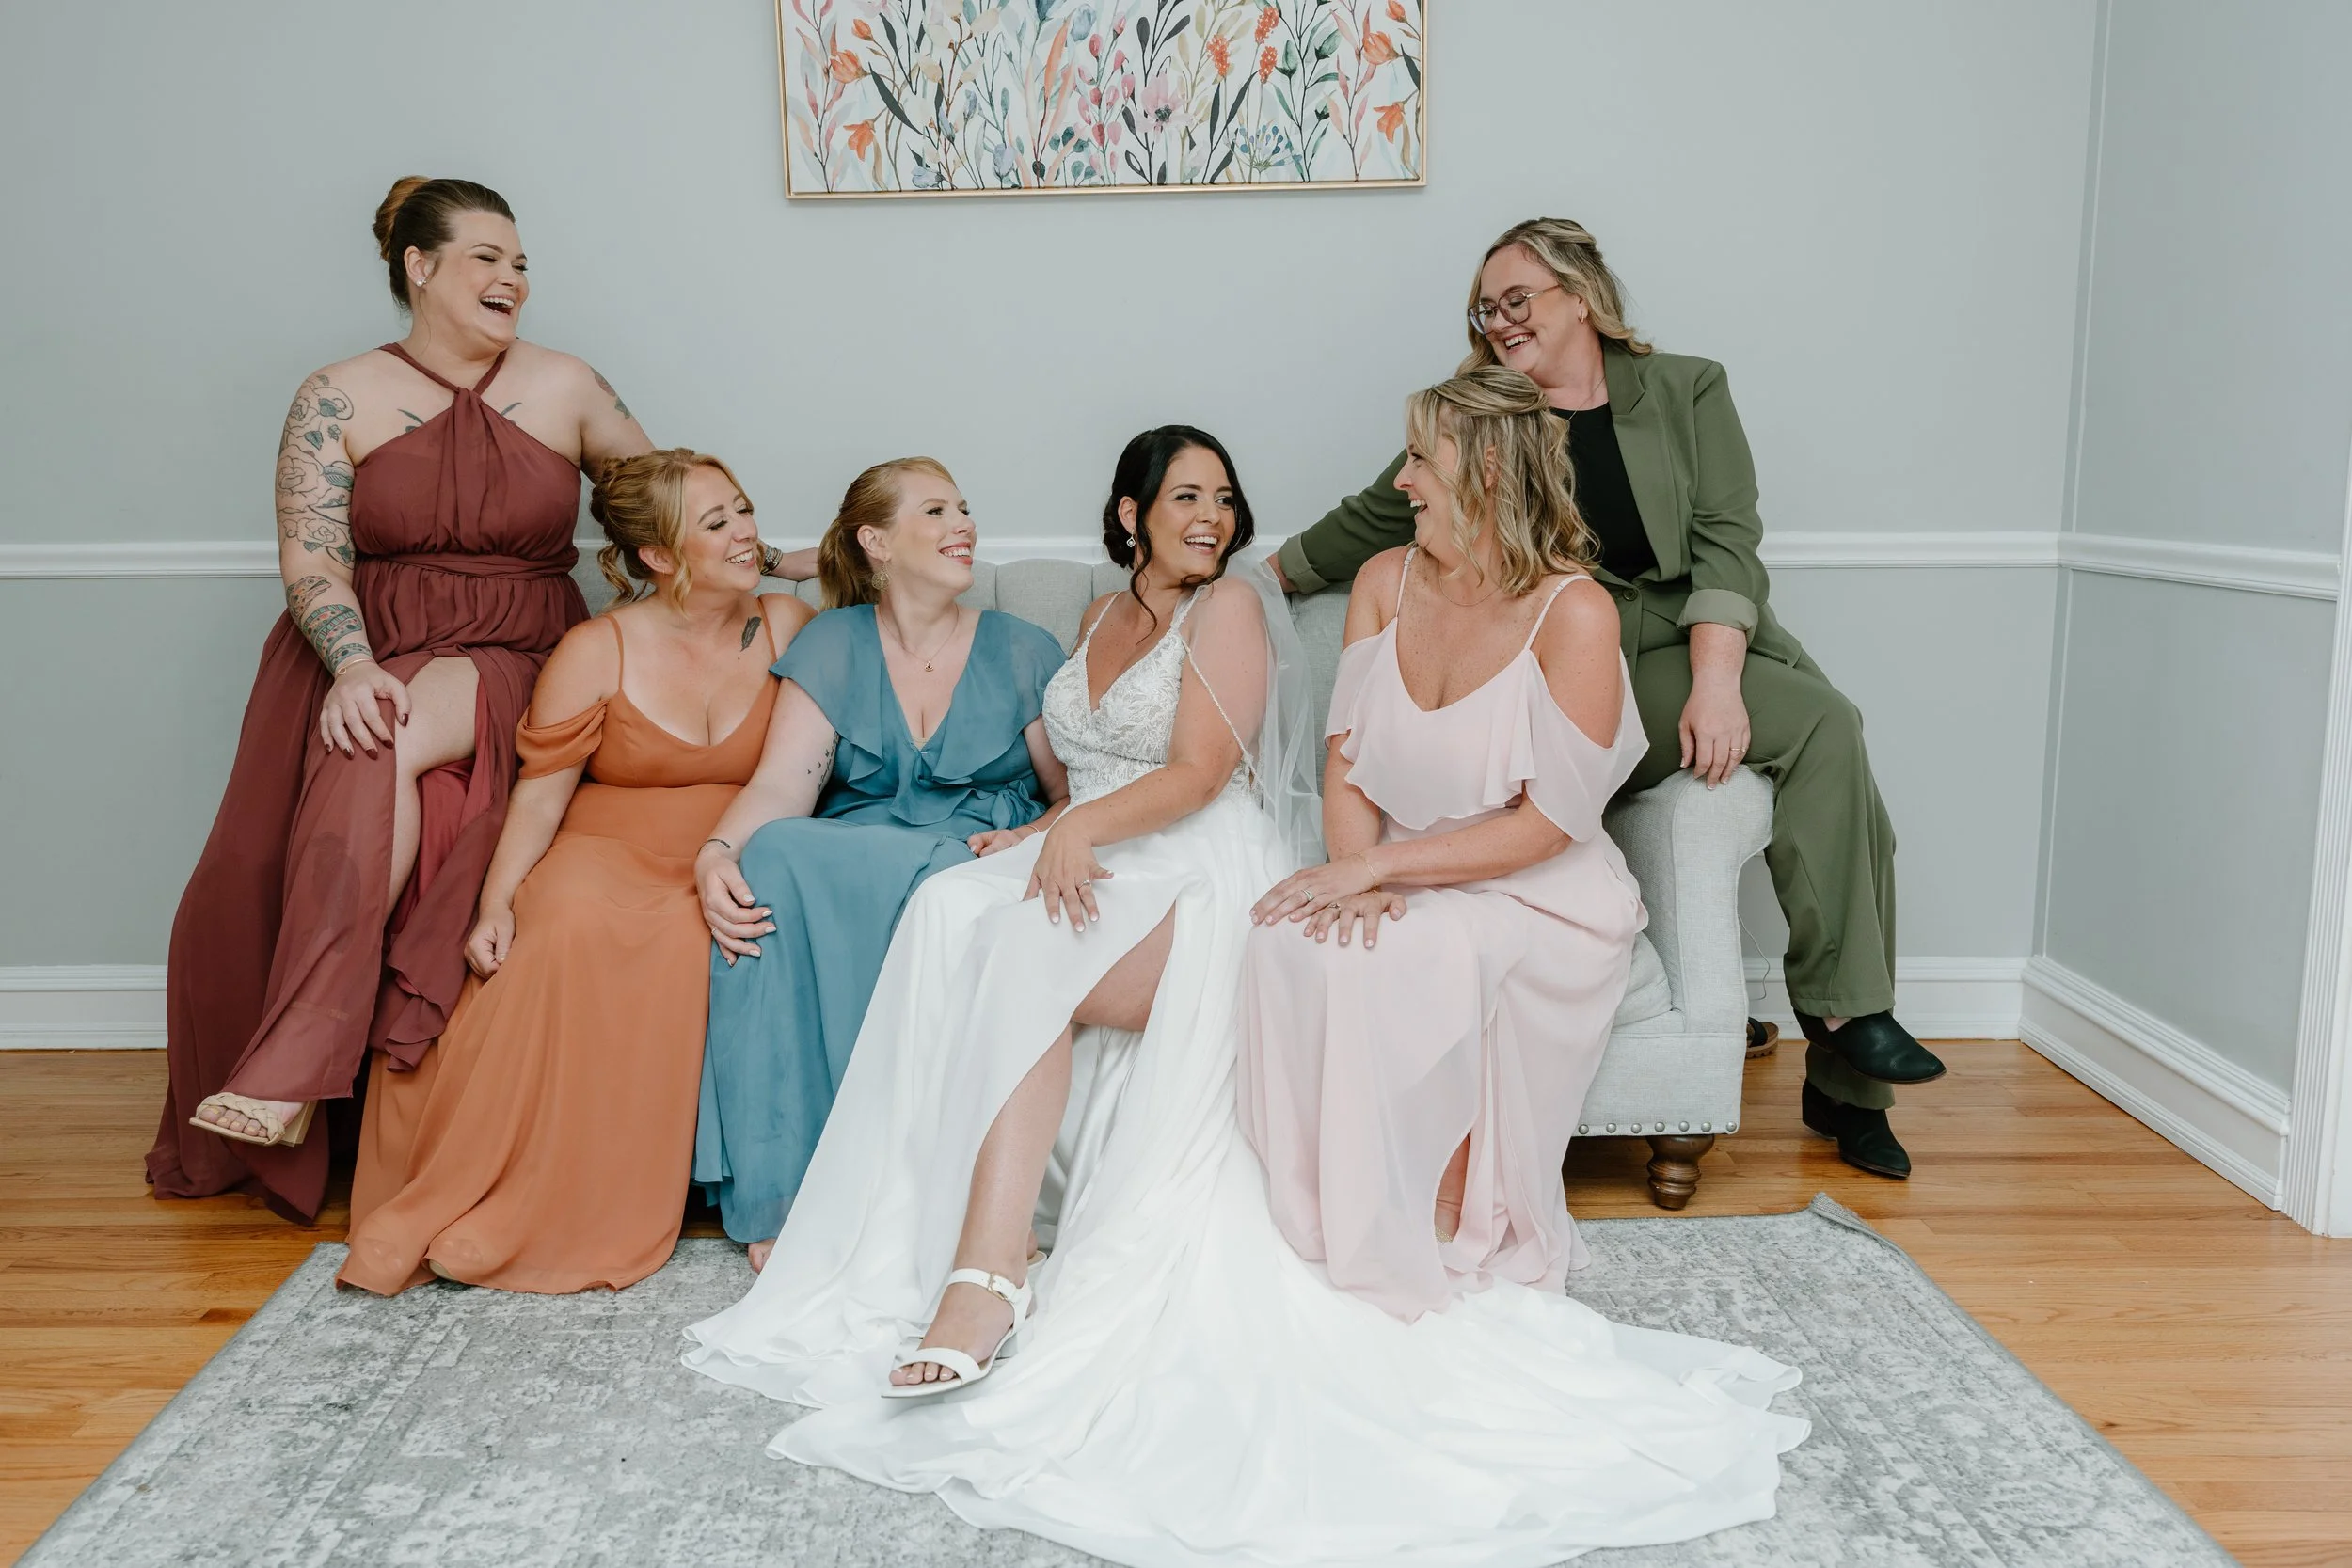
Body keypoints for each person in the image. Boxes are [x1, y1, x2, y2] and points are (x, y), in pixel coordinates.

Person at [680, 422, 1805, 1567]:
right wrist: (1035, 830)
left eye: (1223, 497)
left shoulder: (1224, 611)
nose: (1210, 516)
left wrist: (1073, 831)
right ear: (1129, 515)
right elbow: (1080, 766)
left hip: (1195, 855)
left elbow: (1198, 773)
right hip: (1111, 841)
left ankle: (991, 1270)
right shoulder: (1097, 621)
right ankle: (897, 1221)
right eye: (1183, 497)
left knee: (1027, 950)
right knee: (944, 912)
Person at [1272, 216, 1943, 1179]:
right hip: (1579, 655)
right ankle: (1845, 1039)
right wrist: (1257, 575)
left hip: (1682, 638)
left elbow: (1724, 540)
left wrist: (1717, 679)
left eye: (1518, 299)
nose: (1499, 321)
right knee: (1824, 730)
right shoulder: (1487, 413)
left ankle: (1846, 1046)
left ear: (1579, 297)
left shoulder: (1684, 390)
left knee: (1828, 730)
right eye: (1484, 307)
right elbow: (1383, 513)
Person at [151, 177, 656, 1221]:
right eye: (486, 256)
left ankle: (292, 1061)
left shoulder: (569, 385)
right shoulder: (336, 394)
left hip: (521, 644)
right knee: (351, 763)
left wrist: (781, 560)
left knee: (390, 739)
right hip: (374, 648)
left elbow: (668, 506)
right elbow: (312, 562)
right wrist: (349, 664)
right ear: (418, 268)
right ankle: (298, 1067)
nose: (512, 277)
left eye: (520, 261)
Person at [337, 450, 813, 1293]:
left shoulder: (786, 623)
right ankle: (503, 1195)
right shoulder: (597, 648)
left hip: (730, 844)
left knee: (681, 931)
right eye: (717, 523)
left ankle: (599, 1203)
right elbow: (540, 795)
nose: (747, 532)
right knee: (569, 925)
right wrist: (496, 903)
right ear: (661, 557)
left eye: (742, 509)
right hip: (603, 842)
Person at [1241, 365, 1645, 1320]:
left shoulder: (1574, 612)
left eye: (1422, 456)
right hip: (1409, 868)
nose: (1402, 480)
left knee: (1411, 952)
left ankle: (1435, 1216)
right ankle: (1315, 1210)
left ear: (1492, 469)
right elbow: (1347, 763)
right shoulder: (1385, 581)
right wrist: (1355, 875)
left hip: (1539, 891)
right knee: (1284, 936)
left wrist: (1375, 868)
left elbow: (1547, 824)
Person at [691, 459, 1068, 1269]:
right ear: (877, 541)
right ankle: (790, 1195)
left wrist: (1032, 836)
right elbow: (780, 785)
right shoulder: (833, 641)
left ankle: (952, 1196)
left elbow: (1075, 796)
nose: (964, 523)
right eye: (937, 510)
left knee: (944, 886)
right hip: (857, 853)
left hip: (973, 852)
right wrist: (716, 852)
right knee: (774, 852)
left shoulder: (1023, 649)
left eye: (966, 507)